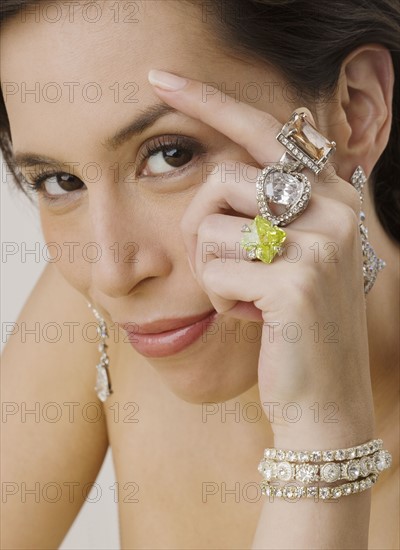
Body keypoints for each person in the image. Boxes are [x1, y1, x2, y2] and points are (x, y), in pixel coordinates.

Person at [1, 0, 399, 548]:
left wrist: (321, 436)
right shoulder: (100, 315)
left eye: (170, 154)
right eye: (60, 182)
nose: (112, 273)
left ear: (356, 109)